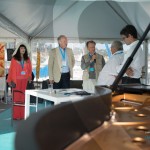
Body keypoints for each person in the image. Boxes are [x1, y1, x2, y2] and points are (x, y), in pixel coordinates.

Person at [7, 43, 32, 119]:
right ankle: (16, 115)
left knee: (24, 98)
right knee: (17, 98)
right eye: (21, 48)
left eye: (24, 48)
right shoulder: (14, 59)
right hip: (16, 81)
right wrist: (10, 80)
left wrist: (29, 77)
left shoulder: (27, 59)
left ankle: (23, 115)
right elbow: (11, 70)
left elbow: (30, 70)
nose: (23, 49)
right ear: (18, 49)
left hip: (25, 81)